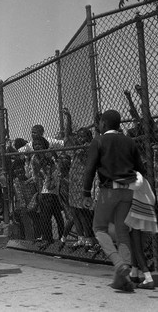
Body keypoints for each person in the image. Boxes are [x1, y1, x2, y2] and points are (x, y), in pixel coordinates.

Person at [82, 109, 146, 292]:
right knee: (122, 231)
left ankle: (119, 263)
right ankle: (124, 270)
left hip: (109, 191)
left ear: (103, 123)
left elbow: (90, 169)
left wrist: (86, 192)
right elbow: (141, 169)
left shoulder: (99, 141)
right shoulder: (129, 141)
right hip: (128, 191)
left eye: (100, 123)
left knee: (99, 229)